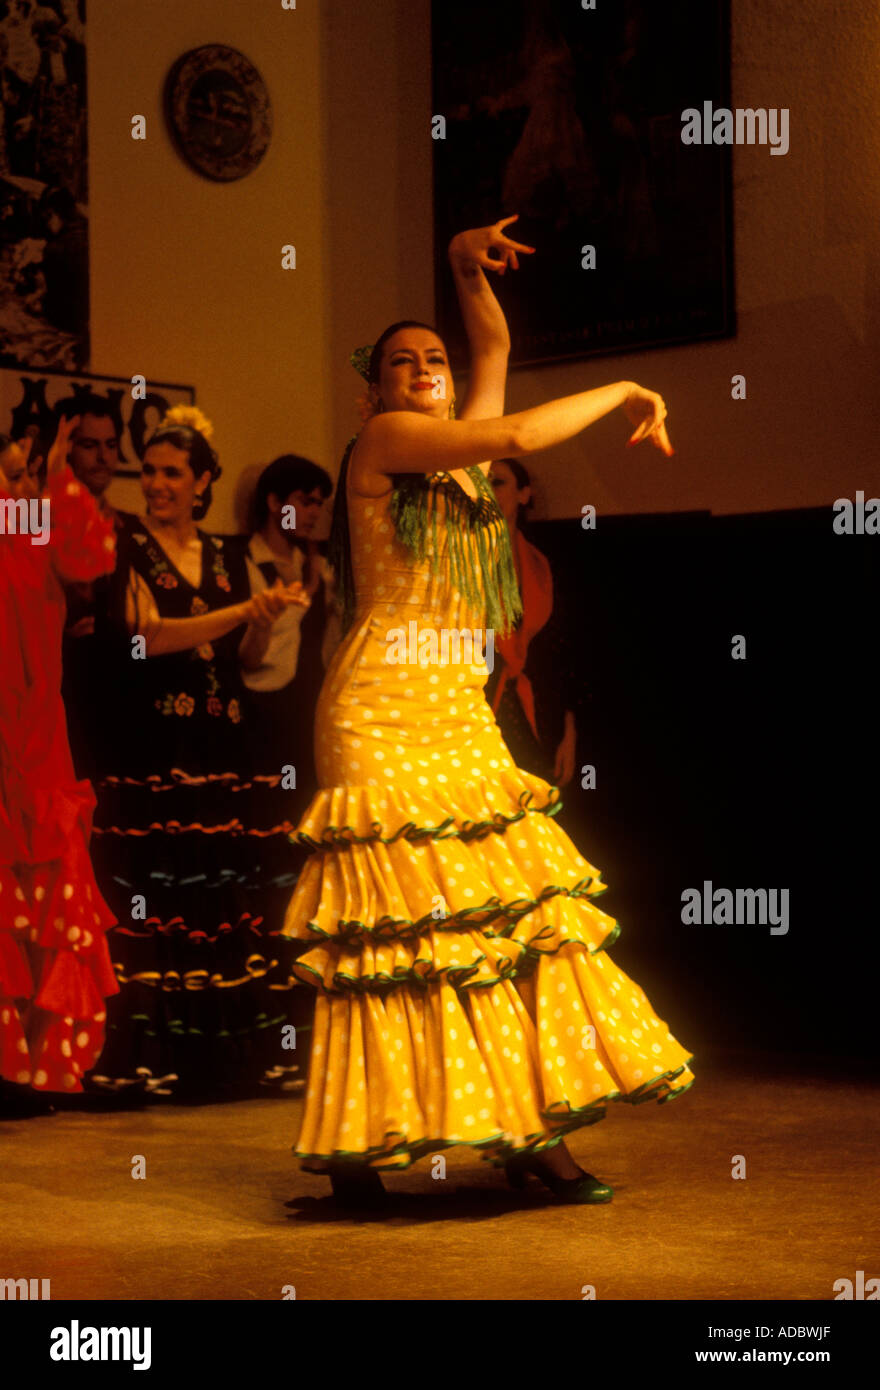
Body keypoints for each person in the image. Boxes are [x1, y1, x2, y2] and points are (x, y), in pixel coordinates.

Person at [280, 216, 693, 1209]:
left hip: (456, 710)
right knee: (395, 932)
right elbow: (511, 433)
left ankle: (530, 1135)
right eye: (403, 361)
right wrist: (623, 388)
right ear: (373, 389)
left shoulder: (456, 459)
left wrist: (466, 269)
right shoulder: (386, 441)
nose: (425, 370)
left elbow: (494, 356)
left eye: (434, 359)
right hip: (379, 708)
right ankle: (362, 1145)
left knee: (510, 924)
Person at [87, 406, 312, 1099]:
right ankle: (153, 1060)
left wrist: (262, 621)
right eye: (150, 472)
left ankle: (235, 1059)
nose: (157, 484)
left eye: (172, 473)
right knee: (159, 899)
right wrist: (242, 611)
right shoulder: (125, 545)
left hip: (221, 744)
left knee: (224, 901)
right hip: (154, 743)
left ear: (203, 482)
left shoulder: (224, 555)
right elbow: (143, 638)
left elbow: (245, 659)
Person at [0, 418, 118, 1116]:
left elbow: (89, 558)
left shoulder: (33, 536)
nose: (17, 490)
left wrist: (57, 483)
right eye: (9, 477)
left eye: (23, 477)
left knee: (40, 886)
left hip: (37, 737)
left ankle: (28, 1060)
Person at [242, 454, 340, 811]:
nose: (313, 513)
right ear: (274, 503)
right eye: (304, 501)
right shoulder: (244, 562)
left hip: (311, 709)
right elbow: (251, 657)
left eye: (319, 504)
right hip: (264, 713)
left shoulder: (317, 566)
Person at [485, 457, 581, 788]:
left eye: (497, 482)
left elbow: (561, 655)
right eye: (482, 483)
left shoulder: (543, 565)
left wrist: (569, 730)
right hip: (476, 715)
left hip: (536, 719)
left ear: (524, 494)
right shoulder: (458, 561)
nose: (488, 491)